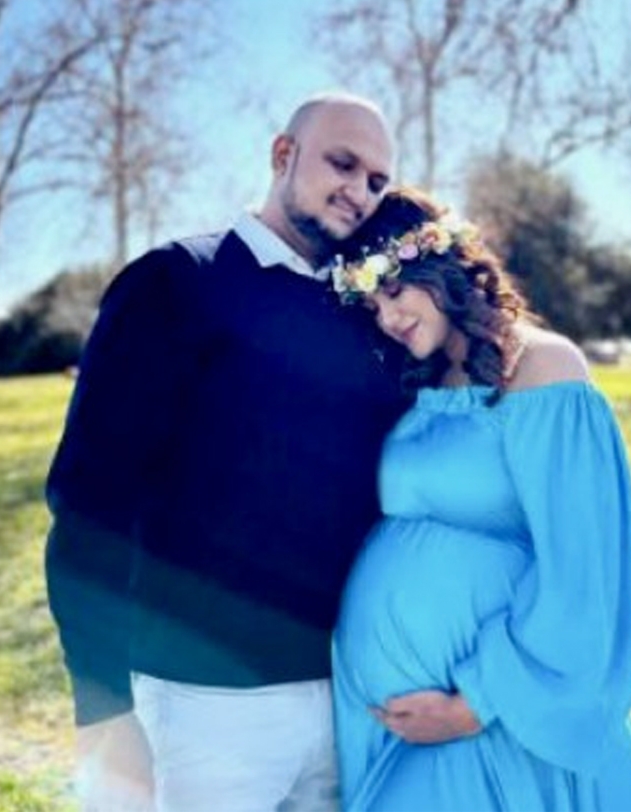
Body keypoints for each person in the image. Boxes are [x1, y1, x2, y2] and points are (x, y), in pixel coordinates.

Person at [44, 92, 410, 812]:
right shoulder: (175, 282)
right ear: (283, 154)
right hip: (201, 707)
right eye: (342, 163)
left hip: (346, 699)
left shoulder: (369, 316)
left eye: (376, 180)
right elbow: (89, 502)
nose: (359, 191)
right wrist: (103, 707)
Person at [329, 187, 631, 812]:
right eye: (372, 304)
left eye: (394, 290)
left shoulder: (544, 367)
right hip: (407, 728)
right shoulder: (428, 381)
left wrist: (473, 705)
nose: (387, 317)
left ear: (440, 264)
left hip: (500, 722)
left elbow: (583, 565)